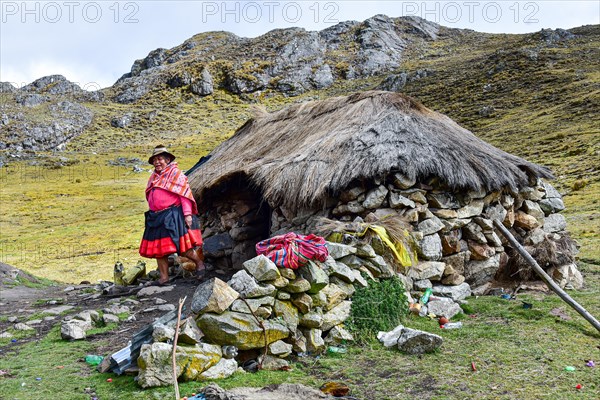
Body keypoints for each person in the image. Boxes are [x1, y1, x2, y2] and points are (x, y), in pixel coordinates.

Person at [139, 145, 205, 285]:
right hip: (156, 217)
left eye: (160, 159)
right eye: (154, 160)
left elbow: (185, 196)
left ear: (167, 159)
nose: (157, 162)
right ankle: (164, 277)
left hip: (172, 214)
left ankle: (199, 264)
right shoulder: (153, 177)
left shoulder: (176, 174)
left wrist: (187, 215)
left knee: (182, 247)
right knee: (159, 250)